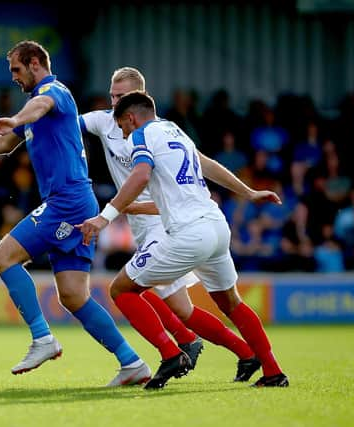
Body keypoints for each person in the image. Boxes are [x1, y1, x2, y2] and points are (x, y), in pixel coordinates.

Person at [0, 40, 150, 386]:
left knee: (2, 256)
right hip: (76, 201)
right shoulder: (34, 107)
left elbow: (40, 105)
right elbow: (3, 143)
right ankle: (132, 363)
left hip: (66, 202)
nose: (13, 77)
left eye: (16, 69)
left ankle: (42, 338)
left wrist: (15, 117)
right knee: (73, 296)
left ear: (36, 63)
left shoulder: (54, 92)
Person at [78, 90, 289, 389]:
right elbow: (209, 165)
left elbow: (139, 176)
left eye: (123, 127)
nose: (123, 134)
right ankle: (272, 371)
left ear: (131, 118)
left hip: (188, 234)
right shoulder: (175, 130)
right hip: (216, 226)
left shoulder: (141, 136)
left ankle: (172, 353)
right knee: (231, 303)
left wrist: (105, 217)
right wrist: (249, 192)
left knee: (122, 289)